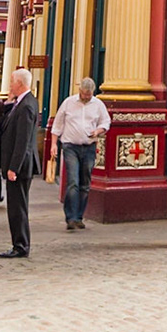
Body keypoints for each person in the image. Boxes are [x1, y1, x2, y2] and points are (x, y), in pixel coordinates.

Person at [49, 77, 111, 230]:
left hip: (89, 147)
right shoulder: (68, 103)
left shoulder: (98, 105)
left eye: (88, 95)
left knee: (85, 184)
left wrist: (98, 130)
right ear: (79, 91)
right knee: (73, 182)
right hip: (70, 146)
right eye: (83, 94)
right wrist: (53, 145)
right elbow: (57, 125)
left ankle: (79, 216)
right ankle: (70, 217)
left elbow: (106, 122)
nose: (85, 97)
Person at [0, 67, 42, 258]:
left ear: (20, 83)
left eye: (12, 82)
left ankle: (21, 245)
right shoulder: (21, 103)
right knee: (16, 206)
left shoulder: (26, 106)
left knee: (18, 207)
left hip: (20, 167)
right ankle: (19, 243)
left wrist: (13, 167)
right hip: (18, 165)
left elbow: (23, 140)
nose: (10, 85)